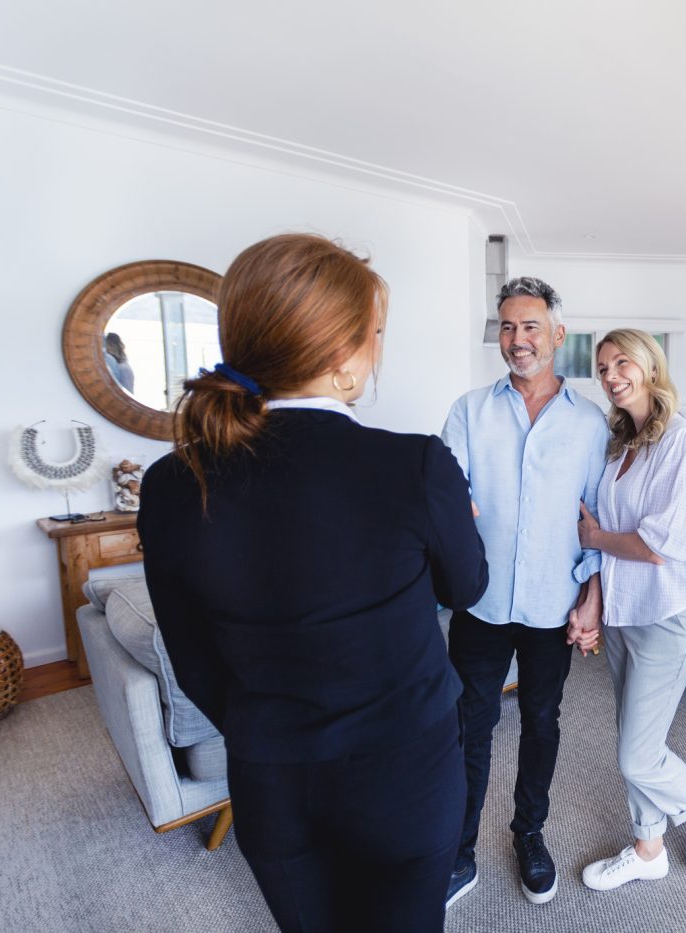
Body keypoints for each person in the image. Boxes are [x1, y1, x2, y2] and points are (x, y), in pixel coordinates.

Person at [137, 233, 488, 932]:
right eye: (376, 334)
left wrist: (267, 723)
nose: (379, 350)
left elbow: (192, 658)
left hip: (271, 772)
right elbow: (467, 588)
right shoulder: (414, 465)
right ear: (341, 357)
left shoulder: (172, 481)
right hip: (406, 771)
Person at [441, 276, 608, 908]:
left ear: (557, 335)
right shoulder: (468, 410)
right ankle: (457, 850)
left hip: (551, 605)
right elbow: (450, 501)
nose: (518, 339)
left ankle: (529, 834)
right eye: (508, 327)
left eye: (530, 326)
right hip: (480, 604)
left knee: (541, 722)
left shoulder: (591, 424)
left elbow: (594, 520)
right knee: (468, 727)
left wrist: (591, 597)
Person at [576, 328, 686, 891]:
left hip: (670, 614)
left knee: (638, 756)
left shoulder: (683, 441)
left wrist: (595, 536)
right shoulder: (620, 448)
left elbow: (660, 545)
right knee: (637, 739)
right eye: (604, 366)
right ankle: (648, 847)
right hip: (624, 614)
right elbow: (613, 541)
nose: (612, 375)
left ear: (650, 367)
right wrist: (594, 599)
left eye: (622, 363)